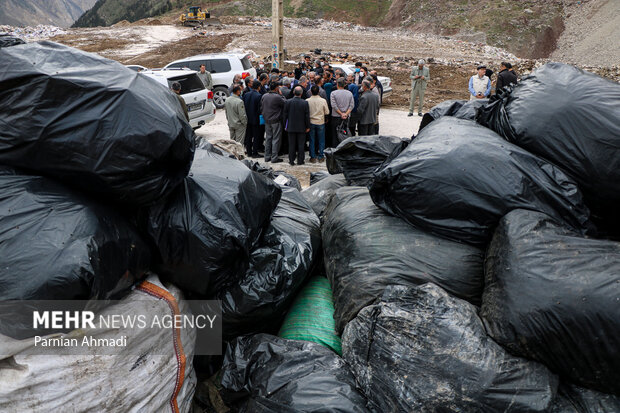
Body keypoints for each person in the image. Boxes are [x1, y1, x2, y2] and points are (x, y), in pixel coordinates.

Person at [283, 86, 310, 166]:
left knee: (291, 144)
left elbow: (285, 115)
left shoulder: (288, 102)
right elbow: (306, 116)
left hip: (291, 126)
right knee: (301, 145)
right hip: (302, 127)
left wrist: (285, 125)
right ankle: (300, 160)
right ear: (301, 93)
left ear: (294, 93)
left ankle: (291, 160)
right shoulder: (305, 103)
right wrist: (308, 126)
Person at [260, 81, 286, 163]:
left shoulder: (264, 96)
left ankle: (267, 156)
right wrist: (281, 94)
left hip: (267, 120)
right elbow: (285, 102)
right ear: (276, 88)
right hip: (275, 120)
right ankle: (274, 157)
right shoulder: (277, 97)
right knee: (276, 139)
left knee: (268, 138)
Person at [307, 85, 329, 163]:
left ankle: (312, 156)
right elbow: (327, 112)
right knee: (321, 140)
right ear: (319, 92)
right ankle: (321, 156)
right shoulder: (323, 100)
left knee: (312, 140)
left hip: (311, 121)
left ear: (310, 92)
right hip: (320, 121)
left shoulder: (307, 100)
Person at [329, 78, 354, 147]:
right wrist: (345, 113)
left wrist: (340, 113)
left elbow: (333, 105)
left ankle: (335, 151)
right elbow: (352, 105)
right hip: (346, 117)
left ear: (337, 84)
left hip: (335, 117)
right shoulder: (349, 93)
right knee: (345, 134)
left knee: (335, 135)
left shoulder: (333, 93)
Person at [242, 80, 262, 157]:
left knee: (248, 136)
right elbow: (259, 109)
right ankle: (255, 152)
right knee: (256, 136)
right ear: (258, 87)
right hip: (255, 119)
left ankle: (249, 152)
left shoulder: (246, 94)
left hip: (247, 118)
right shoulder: (259, 96)